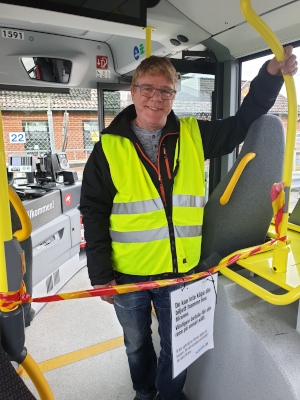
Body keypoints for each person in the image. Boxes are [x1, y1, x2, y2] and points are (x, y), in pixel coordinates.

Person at [79, 47, 297, 400]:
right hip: (128, 272)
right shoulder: (108, 148)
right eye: (148, 89)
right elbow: (93, 211)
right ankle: (144, 392)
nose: (156, 98)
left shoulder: (195, 135)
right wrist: (101, 274)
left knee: (178, 347)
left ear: (173, 95)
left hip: (182, 271)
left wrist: (270, 75)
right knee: (136, 343)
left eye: (165, 91)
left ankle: (167, 396)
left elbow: (244, 121)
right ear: (133, 92)